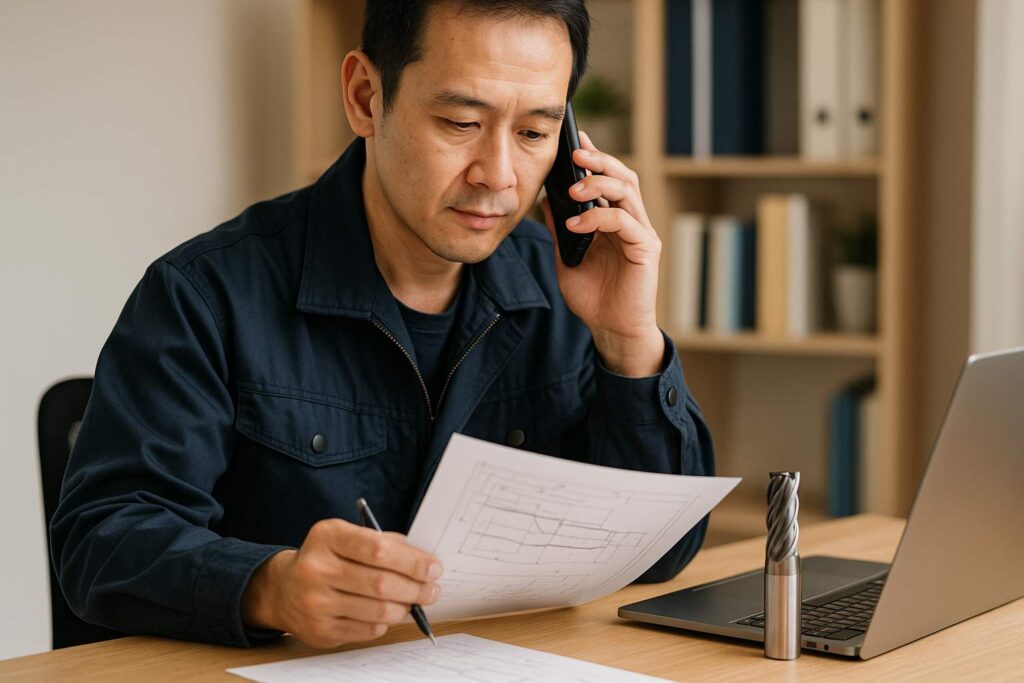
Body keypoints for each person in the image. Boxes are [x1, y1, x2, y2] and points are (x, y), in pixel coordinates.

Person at [50, 0, 715, 650]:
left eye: (536, 133)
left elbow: (664, 555)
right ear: (366, 96)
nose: (500, 177)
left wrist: (629, 343)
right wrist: (269, 586)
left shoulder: (566, 286)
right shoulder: (205, 293)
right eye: (460, 122)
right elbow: (100, 540)